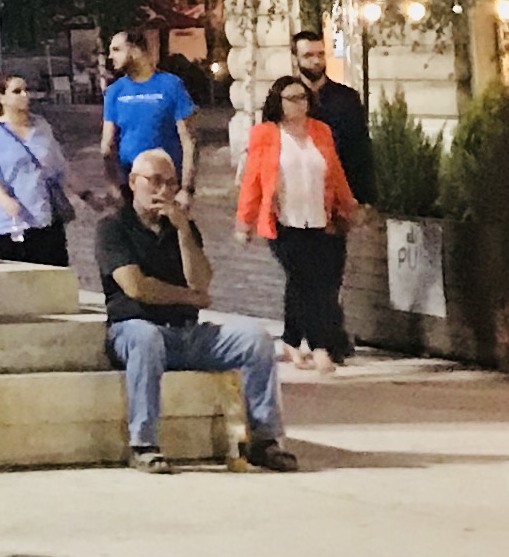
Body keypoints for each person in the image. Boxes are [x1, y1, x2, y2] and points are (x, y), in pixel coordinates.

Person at [99, 146, 294, 471]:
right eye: (155, 181)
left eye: (170, 183)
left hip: (186, 333)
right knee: (146, 339)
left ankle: (264, 439)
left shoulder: (183, 228)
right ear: (133, 182)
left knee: (255, 339)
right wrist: (189, 298)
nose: (163, 190)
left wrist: (183, 231)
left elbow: (201, 282)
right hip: (133, 328)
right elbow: (136, 287)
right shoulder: (113, 227)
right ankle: (143, 443)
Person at [236, 69, 360, 369]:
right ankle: (319, 347)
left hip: (318, 219)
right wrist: (244, 222)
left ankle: (291, 341)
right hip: (284, 222)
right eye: (291, 98)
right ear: (278, 102)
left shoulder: (321, 131)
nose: (299, 103)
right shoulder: (265, 134)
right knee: (307, 281)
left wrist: (349, 206)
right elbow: (253, 181)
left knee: (305, 283)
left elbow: (335, 173)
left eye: (303, 97)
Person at [0, 71, 71, 267]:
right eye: (17, 91)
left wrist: (85, 194)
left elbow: (58, 166)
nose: (25, 95)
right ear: (1, 97)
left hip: (43, 217)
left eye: (26, 90)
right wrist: (3, 199)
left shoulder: (41, 126)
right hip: (8, 223)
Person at [96, 26, 197, 209]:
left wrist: (186, 188)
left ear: (136, 50)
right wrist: (114, 186)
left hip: (166, 186)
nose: (111, 56)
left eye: (117, 50)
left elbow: (189, 140)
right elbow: (107, 146)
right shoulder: (114, 91)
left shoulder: (171, 85)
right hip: (130, 186)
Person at [287, 24, 374, 211]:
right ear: (295, 59)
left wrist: (363, 197)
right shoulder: (285, 99)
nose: (316, 61)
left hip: (336, 196)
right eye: (308, 56)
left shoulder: (346, 99)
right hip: (296, 198)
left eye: (320, 54)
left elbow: (359, 150)